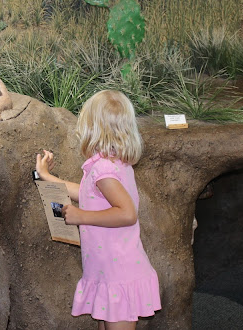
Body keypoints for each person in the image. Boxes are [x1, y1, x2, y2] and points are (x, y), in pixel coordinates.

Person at [35, 90, 161, 330]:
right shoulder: (111, 164)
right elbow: (85, 192)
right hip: (107, 269)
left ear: (91, 127)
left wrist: (81, 216)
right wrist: (47, 177)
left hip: (117, 272)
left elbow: (127, 213)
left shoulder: (104, 170)